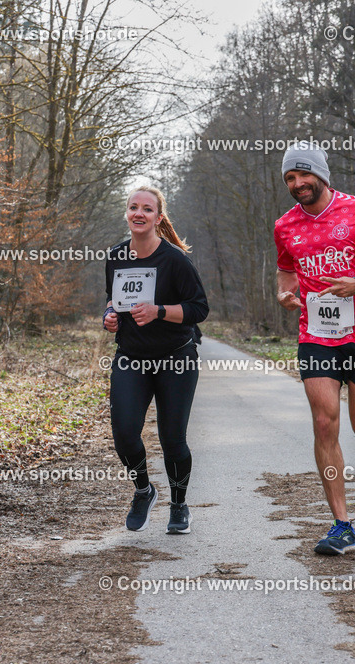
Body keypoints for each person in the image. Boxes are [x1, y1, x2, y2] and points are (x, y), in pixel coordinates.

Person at [275, 143, 355, 556]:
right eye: (290, 178)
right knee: (323, 423)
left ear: (322, 175)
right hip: (316, 335)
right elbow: (285, 272)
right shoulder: (285, 225)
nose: (298, 183)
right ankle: (341, 524)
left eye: (304, 175)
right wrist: (285, 294)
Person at [104, 186, 209, 534]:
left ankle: (179, 505)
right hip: (131, 357)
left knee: (172, 439)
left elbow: (199, 309)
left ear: (158, 217)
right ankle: (143, 491)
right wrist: (109, 316)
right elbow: (112, 299)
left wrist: (159, 311)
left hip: (175, 358)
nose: (139, 213)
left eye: (147, 209)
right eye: (133, 207)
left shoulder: (175, 260)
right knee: (124, 435)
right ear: (127, 213)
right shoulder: (116, 256)